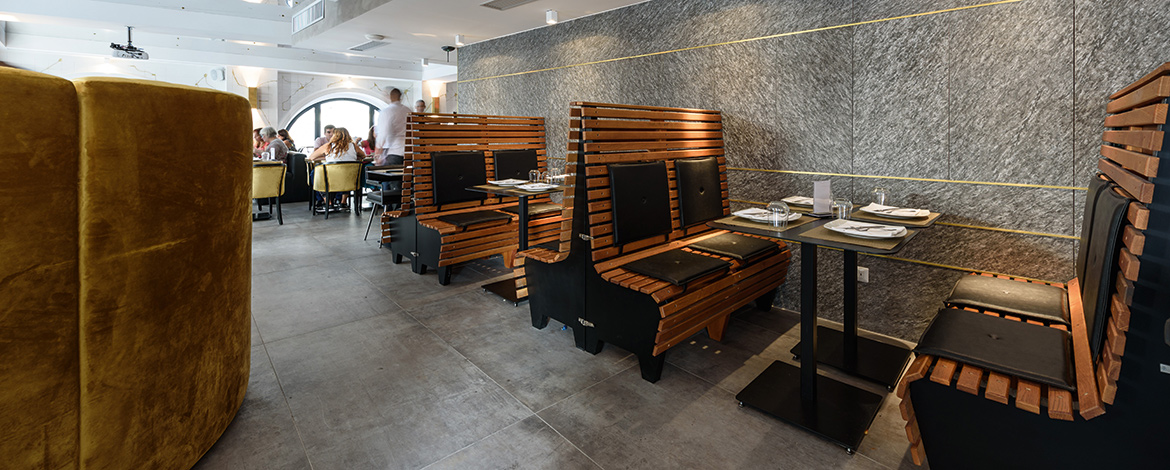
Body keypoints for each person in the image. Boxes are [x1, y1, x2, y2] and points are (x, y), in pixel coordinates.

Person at [309, 127, 365, 208]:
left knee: (315, 176)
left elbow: (312, 157)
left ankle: (328, 202)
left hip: (331, 178)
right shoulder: (354, 146)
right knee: (348, 175)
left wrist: (327, 157)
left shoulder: (328, 146)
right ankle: (343, 201)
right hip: (348, 179)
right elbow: (363, 156)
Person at [374, 88, 410, 166]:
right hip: (409, 152)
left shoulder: (387, 111)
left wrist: (377, 152)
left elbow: (383, 133)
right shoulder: (408, 110)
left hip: (394, 152)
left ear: (390, 97)